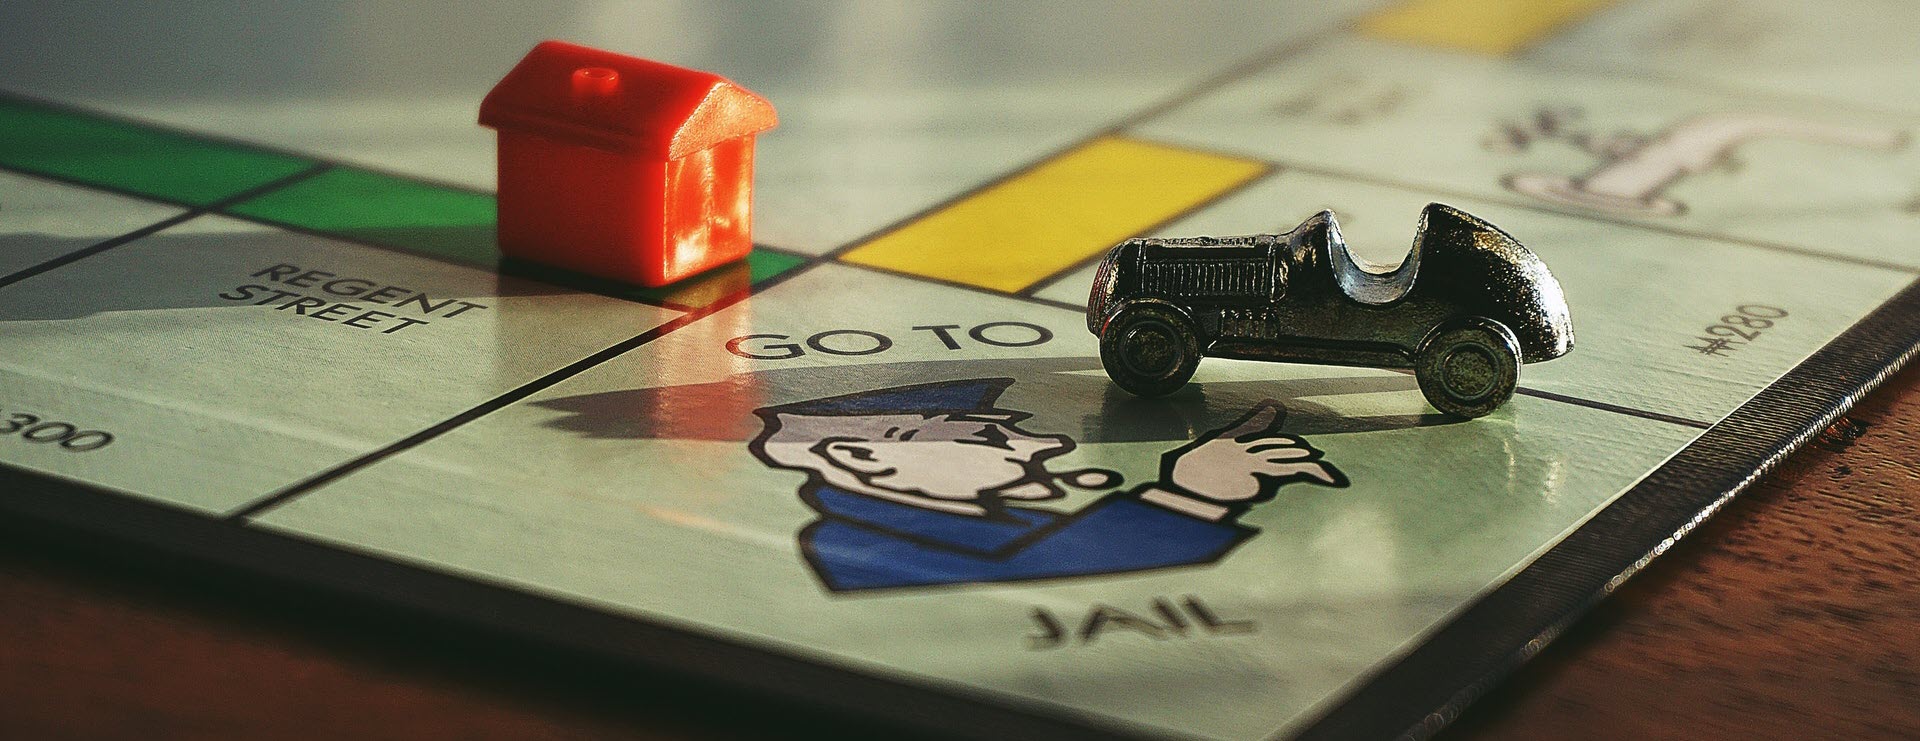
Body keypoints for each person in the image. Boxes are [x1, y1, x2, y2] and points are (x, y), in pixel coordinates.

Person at [749, 378, 1347, 592]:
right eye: (991, 438)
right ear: (864, 458)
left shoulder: (996, 526)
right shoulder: (856, 548)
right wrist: (1194, 496)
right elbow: (1024, 579)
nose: (1048, 444)